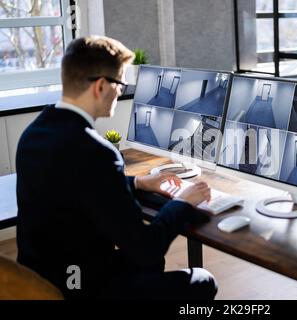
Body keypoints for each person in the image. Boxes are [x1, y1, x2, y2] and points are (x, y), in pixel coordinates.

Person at [15, 36, 217, 300]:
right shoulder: (96, 151)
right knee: (202, 280)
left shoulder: (33, 133)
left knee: (146, 267)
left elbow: (73, 184)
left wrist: (136, 183)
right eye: (120, 83)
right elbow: (147, 248)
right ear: (101, 86)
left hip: (39, 281)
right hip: (81, 289)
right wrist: (183, 202)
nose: (121, 91)